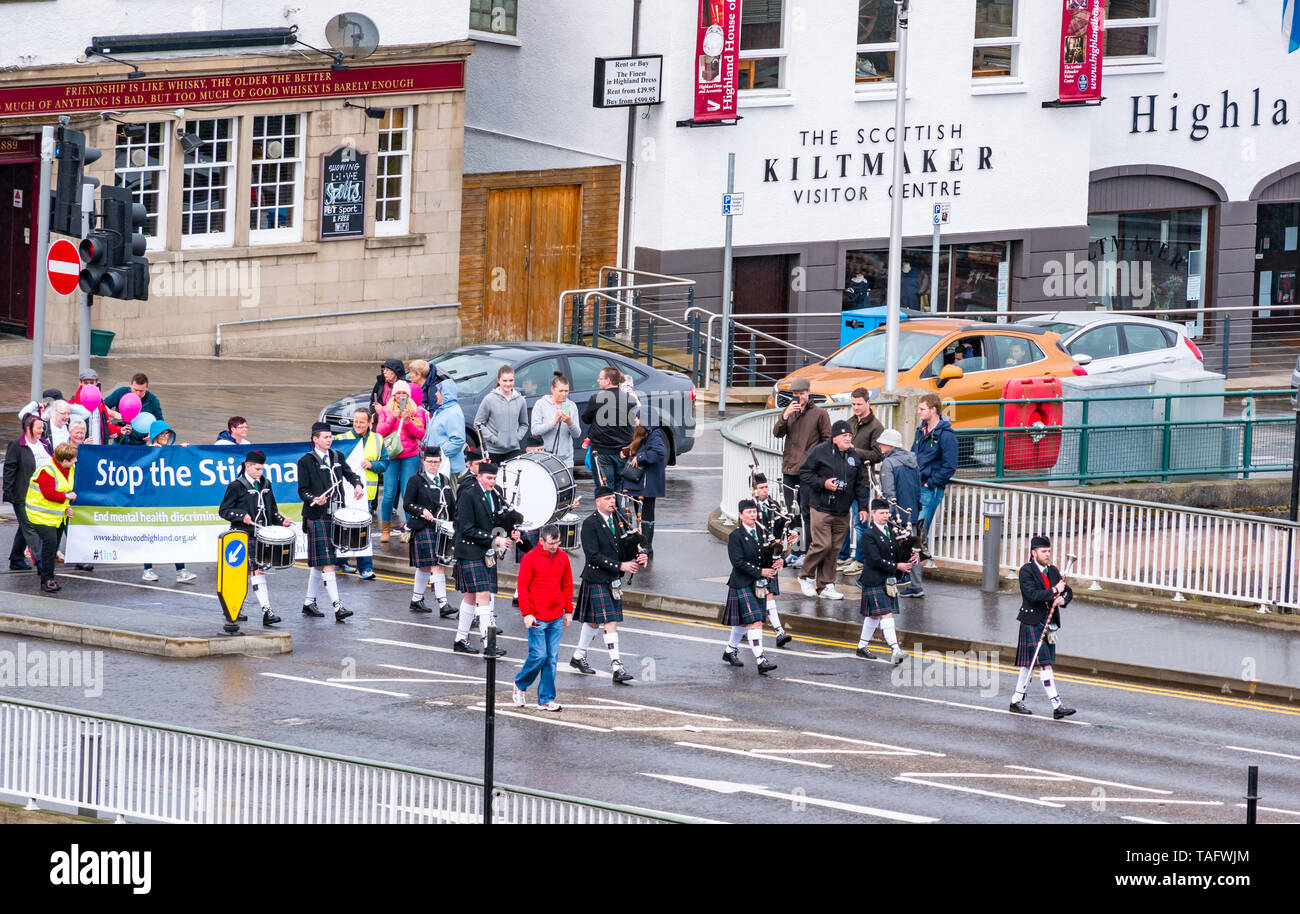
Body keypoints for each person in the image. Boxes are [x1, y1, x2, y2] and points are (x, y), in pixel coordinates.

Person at [568, 485, 643, 683]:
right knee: (610, 621)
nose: (612, 502)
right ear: (597, 502)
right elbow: (593, 556)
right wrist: (621, 565)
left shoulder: (617, 520)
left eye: (613, 498)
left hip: (612, 579)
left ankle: (578, 656)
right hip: (597, 577)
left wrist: (638, 555)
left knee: (593, 622)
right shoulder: (590, 524)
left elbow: (625, 546)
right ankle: (617, 666)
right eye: (608, 499)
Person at [297, 421, 366, 623]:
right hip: (316, 515)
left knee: (320, 563)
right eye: (325, 437)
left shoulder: (337, 456)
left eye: (330, 437)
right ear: (315, 439)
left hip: (336, 514)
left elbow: (350, 473)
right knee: (327, 561)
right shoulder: (306, 461)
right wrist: (314, 499)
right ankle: (338, 606)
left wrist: (357, 484)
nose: (329, 440)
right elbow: (302, 490)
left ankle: (309, 603)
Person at [217, 449, 293, 627]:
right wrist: (241, 515)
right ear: (247, 466)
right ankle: (242, 607)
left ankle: (264, 610)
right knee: (246, 572)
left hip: (261, 535)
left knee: (256, 571)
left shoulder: (266, 484)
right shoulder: (237, 485)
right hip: (243, 535)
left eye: (262, 469)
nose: (260, 472)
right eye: (257, 469)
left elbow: (271, 509)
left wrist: (282, 520)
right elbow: (224, 510)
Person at [452, 461, 520, 656]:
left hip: (485, 553)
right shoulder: (468, 495)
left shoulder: (495, 493)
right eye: (489, 478)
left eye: (494, 478)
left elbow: (497, 520)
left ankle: (460, 639)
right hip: (470, 551)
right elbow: (466, 529)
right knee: (483, 595)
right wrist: (494, 539)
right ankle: (487, 643)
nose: (492, 482)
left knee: (471, 597)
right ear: (479, 477)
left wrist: (510, 531)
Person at [797, 420, 869, 601]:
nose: (847, 438)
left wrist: (863, 507)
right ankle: (805, 576)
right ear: (835, 437)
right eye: (844, 435)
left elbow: (860, 483)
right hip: (821, 507)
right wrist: (824, 484)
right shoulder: (820, 451)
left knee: (834, 549)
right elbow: (805, 473)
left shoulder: (854, 456)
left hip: (842, 510)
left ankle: (826, 584)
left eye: (849, 435)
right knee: (822, 544)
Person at [1010, 535, 1076, 719]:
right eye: (1043, 551)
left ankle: (1016, 700)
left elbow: (1068, 591)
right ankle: (1057, 706)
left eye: (1048, 551)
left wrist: (1064, 599)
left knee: (1027, 665)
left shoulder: (1053, 571)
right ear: (1033, 553)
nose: (1047, 554)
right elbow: (1032, 595)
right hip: (1032, 621)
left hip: (1050, 624)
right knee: (1045, 665)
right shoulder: (1026, 571)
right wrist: (1055, 591)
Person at [512, 523, 573, 712]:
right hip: (537, 616)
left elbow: (567, 585)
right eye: (551, 543)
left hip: (555, 616)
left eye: (557, 542)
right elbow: (522, 588)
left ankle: (546, 699)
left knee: (551, 659)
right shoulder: (530, 559)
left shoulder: (563, 557)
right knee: (539, 655)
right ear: (541, 541)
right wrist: (527, 613)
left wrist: (568, 611)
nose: (555, 546)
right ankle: (520, 683)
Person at [772, 377, 830, 565]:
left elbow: (827, 441)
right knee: (791, 513)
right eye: (795, 395)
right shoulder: (790, 412)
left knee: (807, 511)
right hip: (789, 469)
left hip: (807, 472)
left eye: (801, 394)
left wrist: (816, 464)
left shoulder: (819, 414)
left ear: (808, 393)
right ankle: (796, 551)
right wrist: (785, 415)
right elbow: (777, 433)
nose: (798, 398)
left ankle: (808, 552)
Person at [721, 499, 779, 674]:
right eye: (748, 513)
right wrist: (761, 572)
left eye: (754, 512)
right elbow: (737, 562)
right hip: (742, 583)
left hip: (758, 584)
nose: (752, 515)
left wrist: (777, 561)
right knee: (755, 621)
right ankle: (761, 660)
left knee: (741, 624)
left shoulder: (761, 533)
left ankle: (730, 651)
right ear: (740, 515)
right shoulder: (735, 536)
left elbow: (767, 555)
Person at [854, 498, 912, 665]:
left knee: (874, 616)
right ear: (873, 514)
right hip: (873, 580)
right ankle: (895, 650)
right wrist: (897, 566)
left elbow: (896, 554)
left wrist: (911, 556)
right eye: (882, 513)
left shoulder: (890, 531)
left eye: (887, 513)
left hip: (887, 580)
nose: (885, 516)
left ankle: (861, 647)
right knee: (886, 613)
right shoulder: (868, 535)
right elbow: (874, 560)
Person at [139, 421, 197, 585]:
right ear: (155, 435)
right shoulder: (146, 452)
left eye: (167, 434)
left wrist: (184, 451)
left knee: (174, 535)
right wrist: (151, 452)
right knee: (150, 536)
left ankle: (181, 570)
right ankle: (147, 570)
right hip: (151, 502)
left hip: (169, 502)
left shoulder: (173, 451)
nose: (165, 437)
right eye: (162, 434)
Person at [336, 408, 388, 579]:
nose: (357, 425)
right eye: (355, 421)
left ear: (370, 423)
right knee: (343, 529)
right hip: (345, 492)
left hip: (366, 494)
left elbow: (385, 464)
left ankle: (365, 567)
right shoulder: (341, 439)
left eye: (361, 422)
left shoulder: (378, 439)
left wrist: (372, 464)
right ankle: (342, 562)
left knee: (362, 531)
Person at [837, 387, 884, 575]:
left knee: (860, 522)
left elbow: (878, 454)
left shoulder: (876, 427)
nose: (855, 407)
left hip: (862, 481)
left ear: (868, 403)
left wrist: (855, 450)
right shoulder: (849, 422)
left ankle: (860, 560)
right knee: (842, 520)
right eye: (853, 404)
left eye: (859, 404)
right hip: (844, 478)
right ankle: (843, 556)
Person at [404, 446, 454, 616]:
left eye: (436, 461)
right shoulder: (416, 480)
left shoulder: (446, 480)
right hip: (423, 527)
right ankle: (443, 604)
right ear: (424, 461)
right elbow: (407, 504)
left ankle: (416, 600)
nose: (433, 465)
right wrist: (421, 511)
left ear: (440, 462)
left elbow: (452, 505)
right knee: (437, 565)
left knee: (425, 567)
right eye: (430, 461)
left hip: (442, 528)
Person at [376, 380, 427, 544]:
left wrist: (407, 421)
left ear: (408, 395)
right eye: (398, 393)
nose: (401, 396)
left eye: (404, 393)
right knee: (389, 493)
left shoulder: (415, 411)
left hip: (410, 455)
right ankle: (385, 528)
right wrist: (392, 417)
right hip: (391, 455)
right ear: (393, 395)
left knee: (408, 493)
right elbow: (379, 432)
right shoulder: (386, 410)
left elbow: (420, 434)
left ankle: (410, 528)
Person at [751, 473, 797, 647]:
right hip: (754, 557)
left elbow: (783, 528)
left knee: (767, 594)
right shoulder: (749, 508)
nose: (764, 490)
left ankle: (779, 631)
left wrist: (790, 534)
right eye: (761, 487)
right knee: (753, 596)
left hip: (770, 557)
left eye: (765, 487)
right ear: (753, 490)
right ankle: (745, 627)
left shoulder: (774, 506)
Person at [877, 428, 924, 597]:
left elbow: (889, 494)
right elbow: (918, 489)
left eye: (882, 443)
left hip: (896, 513)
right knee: (913, 550)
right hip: (912, 512)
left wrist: (885, 515)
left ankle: (889, 582)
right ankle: (917, 585)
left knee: (889, 548)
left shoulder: (888, 464)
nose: (880, 445)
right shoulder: (913, 461)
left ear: (890, 445)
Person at [26, 442, 78, 593]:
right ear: (64, 460)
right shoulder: (47, 471)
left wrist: (67, 505)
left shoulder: (70, 468)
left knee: (52, 547)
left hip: (56, 515)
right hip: (40, 514)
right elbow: (49, 494)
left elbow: (66, 489)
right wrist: (66, 497)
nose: (76, 461)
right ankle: (46, 580)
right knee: (50, 546)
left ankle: (46, 574)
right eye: (73, 459)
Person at [4, 413, 49, 571]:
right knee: (31, 526)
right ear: (28, 428)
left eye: (42, 428)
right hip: (22, 494)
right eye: (38, 428)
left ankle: (16, 559)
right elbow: (9, 469)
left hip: (41, 495)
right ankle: (41, 562)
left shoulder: (44, 444)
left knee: (24, 527)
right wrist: (8, 493)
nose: (41, 431)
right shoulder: (17, 445)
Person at [619, 409, 666, 558]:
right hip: (641, 482)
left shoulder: (655, 435)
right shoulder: (646, 434)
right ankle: (641, 544)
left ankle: (647, 546)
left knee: (646, 513)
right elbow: (640, 448)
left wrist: (640, 457)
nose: (636, 421)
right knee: (640, 510)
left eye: (638, 418)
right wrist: (627, 452)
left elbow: (659, 452)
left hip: (648, 482)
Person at [582, 366, 637, 491]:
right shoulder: (630, 400)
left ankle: (608, 511)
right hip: (623, 451)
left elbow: (585, 419)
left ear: (608, 381)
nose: (598, 380)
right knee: (621, 488)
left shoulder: (596, 399)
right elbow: (633, 422)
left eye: (600, 378)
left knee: (605, 490)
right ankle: (620, 510)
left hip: (601, 451)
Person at [913, 393, 958, 544]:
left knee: (919, 530)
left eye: (922, 409)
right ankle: (910, 565)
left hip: (930, 488)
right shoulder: (921, 431)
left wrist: (930, 483)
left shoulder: (946, 436)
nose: (919, 412)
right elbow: (913, 455)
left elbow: (950, 466)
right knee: (912, 530)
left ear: (933, 410)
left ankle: (915, 565)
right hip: (917, 485)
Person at [474, 364, 528, 464]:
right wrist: (493, 438)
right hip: (493, 451)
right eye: (505, 380)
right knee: (494, 478)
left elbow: (524, 424)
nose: (508, 384)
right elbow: (478, 424)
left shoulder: (520, 400)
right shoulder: (489, 399)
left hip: (513, 449)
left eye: (511, 380)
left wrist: (517, 437)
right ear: (499, 381)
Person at [530, 373, 582, 465]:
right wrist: (553, 423)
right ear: (552, 389)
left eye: (566, 391)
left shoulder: (570, 405)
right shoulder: (541, 404)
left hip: (566, 460)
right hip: (544, 458)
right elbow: (534, 431)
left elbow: (577, 435)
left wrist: (569, 423)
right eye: (561, 391)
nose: (564, 394)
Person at [104, 373, 163, 445]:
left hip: (140, 445)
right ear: (130, 384)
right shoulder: (121, 392)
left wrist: (153, 433)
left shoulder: (152, 400)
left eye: (141, 391)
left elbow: (160, 422)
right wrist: (114, 414)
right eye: (135, 390)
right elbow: (102, 406)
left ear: (147, 387)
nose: (138, 394)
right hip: (119, 442)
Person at [426, 375, 467, 476]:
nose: (435, 394)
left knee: (449, 492)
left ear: (445, 393)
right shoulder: (442, 410)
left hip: (449, 467)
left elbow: (458, 440)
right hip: (438, 465)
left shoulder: (453, 412)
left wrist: (438, 454)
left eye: (438, 391)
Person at [71, 368, 119, 445]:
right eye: (86, 383)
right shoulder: (72, 404)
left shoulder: (100, 402)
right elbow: (69, 432)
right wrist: (83, 443)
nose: (89, 385)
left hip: (99, 449)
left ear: (96, 382)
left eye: (92, 382)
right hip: (82, 450)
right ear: (80, 382)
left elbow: (105, 426)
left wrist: (120, 431)